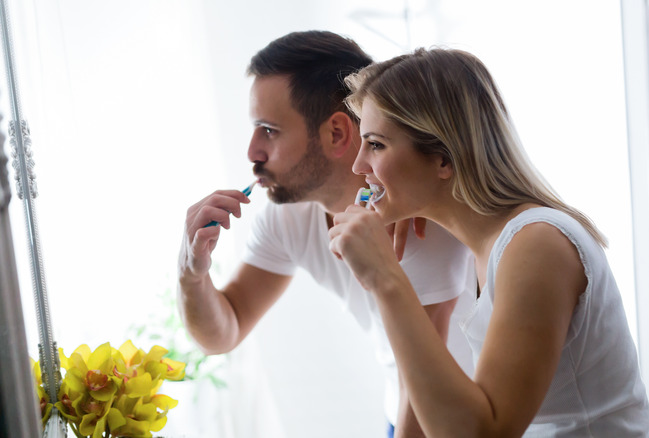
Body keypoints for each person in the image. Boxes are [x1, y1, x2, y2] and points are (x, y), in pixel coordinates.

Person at [328, 48, 649, 437]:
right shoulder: (481, 245)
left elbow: (481, 433)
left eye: (377, 144)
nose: (358, 166)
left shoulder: (537, 245)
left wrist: (385, 277)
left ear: (444, 159)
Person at [177, 31, 475, 436]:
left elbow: (421, 377)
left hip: (461, 418)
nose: (252, 152)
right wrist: (192, 273)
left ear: (336, 133)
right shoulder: (287, 218)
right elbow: (223, 331)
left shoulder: (415, 215)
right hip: (399, 411)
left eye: (268, 129)